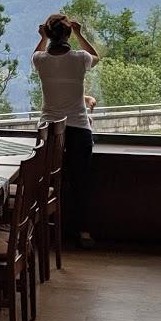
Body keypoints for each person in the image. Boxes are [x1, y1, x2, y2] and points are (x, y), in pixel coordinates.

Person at [32, 13, 99, 248]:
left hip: (49, 130)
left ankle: (43, 231)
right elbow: (96, 56)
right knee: (80, 181)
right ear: (68, 34)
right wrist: (80, 33)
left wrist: (41, 37)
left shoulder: (41, 60)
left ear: (48, 35)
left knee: (46, 180)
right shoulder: (80, 58)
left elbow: (36, 54)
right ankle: (83, 232)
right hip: (79, 128)